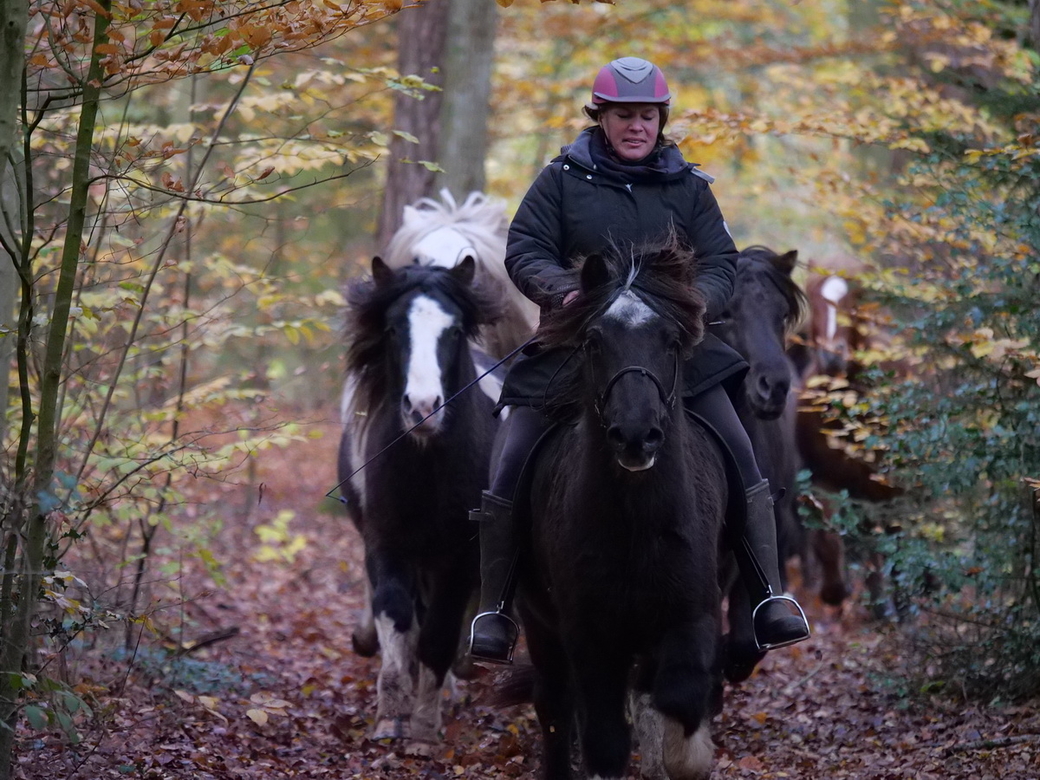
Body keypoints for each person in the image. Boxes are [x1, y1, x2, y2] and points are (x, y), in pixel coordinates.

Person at [468, 56, 810, 664]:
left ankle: (767, 595)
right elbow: (525, 250)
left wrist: (693, 302)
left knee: (741, 454)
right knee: (512, 460)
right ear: (600, 117)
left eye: (646, 117)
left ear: (661, 120)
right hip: (577, 345)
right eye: (623, 115)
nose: (636, 127)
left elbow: (721, 262)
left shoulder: (690, 188)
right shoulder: (560, 180)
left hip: (676, 350)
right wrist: (563, 291)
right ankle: (495, 607)